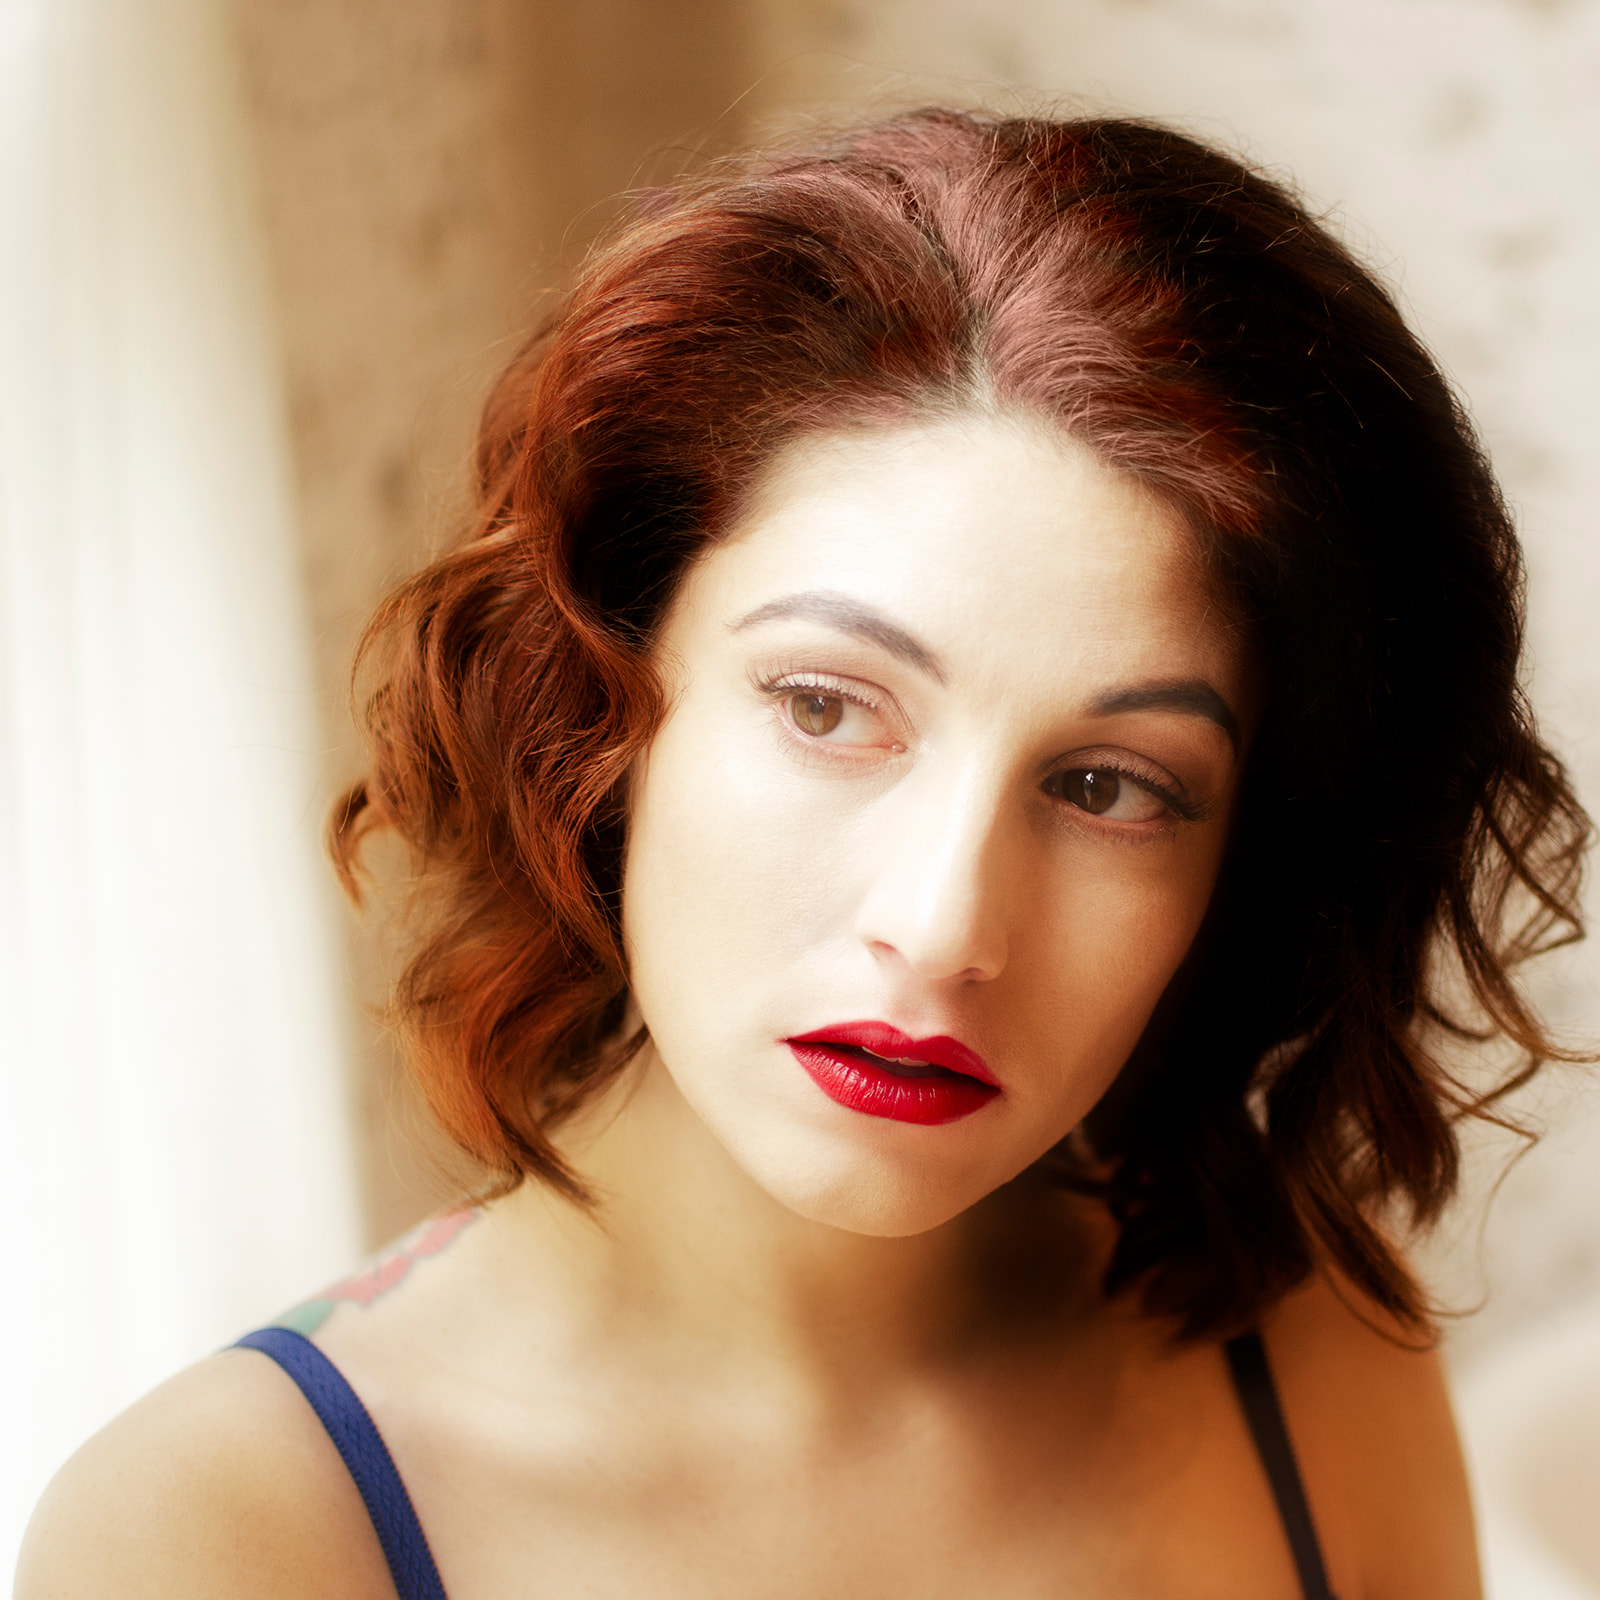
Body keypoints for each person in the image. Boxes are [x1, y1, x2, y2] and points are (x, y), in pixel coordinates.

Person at [17, 107, 1591, 1600]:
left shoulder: (1301, 1352)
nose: (943, 924)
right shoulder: (229, 1531)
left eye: (1110, 787)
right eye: (828, 708)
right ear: (606, 700)